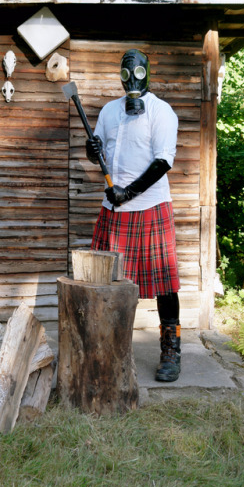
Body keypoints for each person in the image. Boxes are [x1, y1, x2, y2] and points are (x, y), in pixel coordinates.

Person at [85, 49, 181, 382]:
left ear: (147, 73)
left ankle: (171, 348)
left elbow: (163, 162)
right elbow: (98, 147)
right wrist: (92, 149)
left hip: (151, 206)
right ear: (121, 76)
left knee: (165, 283)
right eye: (126, 75)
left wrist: (130, 192)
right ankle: (107, 347)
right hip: (114, 208)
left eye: (138, 73)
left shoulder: (162, 112)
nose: (133, 80)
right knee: (107, 282)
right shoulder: (110, 111)